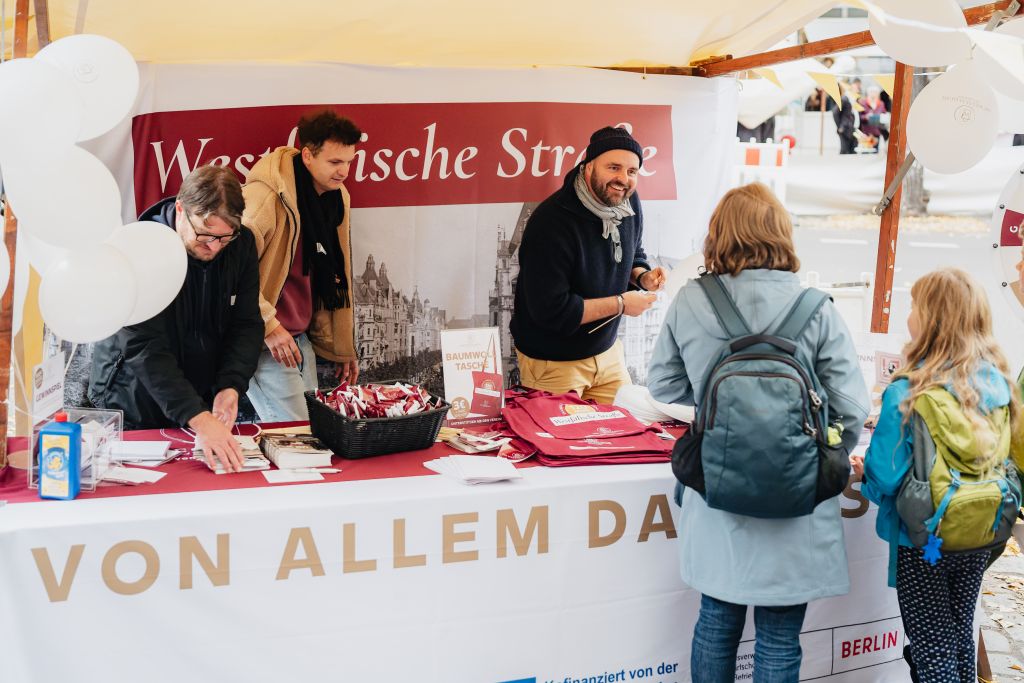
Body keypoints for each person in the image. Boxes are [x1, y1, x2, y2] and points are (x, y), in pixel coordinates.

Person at [647, 182, 868, 682]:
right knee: (779, 636)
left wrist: (716, 410)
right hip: (796, 502)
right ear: (781, 233)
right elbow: (853, 406)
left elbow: (661, 382)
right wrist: (819, 453)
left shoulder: (692, 300)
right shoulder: (816, 306)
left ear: (720, 233)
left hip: (716, 492)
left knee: (716, 622)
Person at [852, 268, 1022, 683]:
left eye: (914, 305)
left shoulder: (908, 391)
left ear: (930, 318)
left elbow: (886, 476)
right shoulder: (1000, 384)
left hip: (923, 537)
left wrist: (864, 476)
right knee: (959, 633)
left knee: (931, 649)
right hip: (985, 530)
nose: (908, 314)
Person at [89, 165, 264, 472]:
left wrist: (231, 385)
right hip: (132, 398)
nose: (213, 247)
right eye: (205, 235)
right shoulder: (139, 253)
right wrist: (198, 416)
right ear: (180, 210)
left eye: (224, 239)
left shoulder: (242, 244)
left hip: (196, 392)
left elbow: (246, 323)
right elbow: (143, 347)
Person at [510, 126, 666, 404]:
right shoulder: (551, 222)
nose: (623, 179)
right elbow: (552, 311)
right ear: (589, 166)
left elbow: (633, 253)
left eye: (632, 171)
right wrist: (621, 304)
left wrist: (643, 277)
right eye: (614, 167)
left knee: (626, 434)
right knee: (559, 446)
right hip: (553, 364)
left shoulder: (627, 202)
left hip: (608, 356)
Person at [243, 110, 362, 421]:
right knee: (298, 436)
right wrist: (269, 325)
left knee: (313, 432)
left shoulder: (336, 198)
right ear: (307, 156)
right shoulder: (264, 198)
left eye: (349, 161)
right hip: (259, 340)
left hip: (297, 336)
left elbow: (338, 271)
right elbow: (228, 273)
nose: (344, 171)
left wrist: (342, 347)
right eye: (335, 162)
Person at [858, 86, 889, 151]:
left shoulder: (881, 104)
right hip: (866, 132)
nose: (873, 94)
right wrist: (866, 117)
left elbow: (884, 114)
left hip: (877, 131)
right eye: (872, 92)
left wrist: (883, 116)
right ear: (868, 93)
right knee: (866, 151)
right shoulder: (863, 103)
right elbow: (859, 117)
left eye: (875, 93)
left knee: (875, 150)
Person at [833, 81, 858, 154]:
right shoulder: (844, 99)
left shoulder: (852, 99)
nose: (857, 90)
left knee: (851, 151)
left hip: (851, 129)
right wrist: (840, 126)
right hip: (845, 129)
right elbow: (835, 112)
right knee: (844, 151)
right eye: (855, 88)